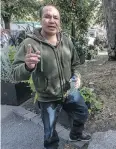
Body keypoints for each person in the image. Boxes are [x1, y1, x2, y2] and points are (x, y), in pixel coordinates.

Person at [12, 4, 90, 149]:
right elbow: (14, 74)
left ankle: (75, 135)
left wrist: (77, 76)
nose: (52, 20)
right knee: (49, 133)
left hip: (69, 92)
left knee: (82, 112)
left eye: (55, 17)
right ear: (40, 19)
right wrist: (27, 67)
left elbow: (75, 65)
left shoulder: (67, 41)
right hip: (48, 98)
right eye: (47, 16)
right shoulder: (29, 44)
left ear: (59, 21)